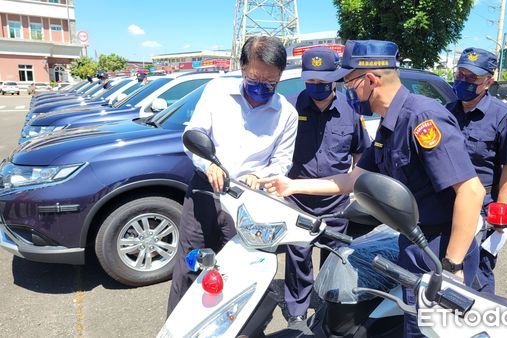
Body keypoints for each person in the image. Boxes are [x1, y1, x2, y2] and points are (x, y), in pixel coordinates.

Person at [260, 40, 485, 337]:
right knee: (412, 325)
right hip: (413, 244)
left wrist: (452, 269)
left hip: (439, 252)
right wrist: (291, 185)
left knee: (433, 331)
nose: (346, 90)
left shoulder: (421, 118)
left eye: (349, 83)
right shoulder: (388, 124)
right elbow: (353, 179)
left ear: (370, 79)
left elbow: (471, 191)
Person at [167, 36, 298, 316]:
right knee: (191, 267)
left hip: (249, 203)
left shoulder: (286, 113)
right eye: (255, 78)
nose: (261, 88)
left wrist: (260, 176)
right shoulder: (217, 92)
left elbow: (282, 161)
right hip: (206, 192)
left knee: (240, 275)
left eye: (270, 83)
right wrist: (208, 164)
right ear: (241, 68)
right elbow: (195, 135)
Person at [284, 48, 371, 325]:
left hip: (335, 204)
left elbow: (361, 151)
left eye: (322, 83)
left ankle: (327, 309)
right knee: (298, 259)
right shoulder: (290, 107)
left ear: (334, 79)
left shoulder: (350, 111)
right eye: (310, 82)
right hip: (297, 200)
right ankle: (297, 313)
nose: (316, 88)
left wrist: (355, 185)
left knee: (334, 259)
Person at [446, 48, 507, 294]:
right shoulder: (446, 111)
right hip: (446, 200)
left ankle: (480, 322)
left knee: (478, 271)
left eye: (472, 78)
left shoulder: (504, 117)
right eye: (460, 74)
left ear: (488, 81)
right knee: (446, 263)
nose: (463, 81)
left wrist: (501, 208)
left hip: (483, 206)